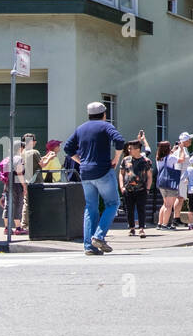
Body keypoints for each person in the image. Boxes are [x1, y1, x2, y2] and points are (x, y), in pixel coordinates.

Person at [62, 102, 127, 255]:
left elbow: (67, 148)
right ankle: (98, 236)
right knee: (113, 203)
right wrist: (116, 159)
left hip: (85, 173)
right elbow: (119, 141)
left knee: (91, 207)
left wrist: (81, 162)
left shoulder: (81, 128)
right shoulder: (106, 126)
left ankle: (89, 247)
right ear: (104, 114)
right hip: (103, 170)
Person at [118, 140, 153, 236]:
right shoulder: (126, 160)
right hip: (128, 189)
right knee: (129, 209)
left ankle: (141, 228)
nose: (129, 150)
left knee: (141, 209)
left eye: (131, 148)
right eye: (129, 148)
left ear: (137, 149)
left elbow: (149, 176)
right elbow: (121, 174)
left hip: (141, 189)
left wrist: (148, 189)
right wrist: (121, 186)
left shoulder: (146, 161)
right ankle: (132, 228)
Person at [154, 139, 183, 230]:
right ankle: (165, 225)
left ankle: (160, 223)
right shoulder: (171, 157)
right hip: (170, 182)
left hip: (161, 182)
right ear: (167, 148)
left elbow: (168, 156)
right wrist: (181, 149)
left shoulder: (159, 158)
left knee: (165, 204)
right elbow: (181, 160)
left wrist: (173, 150)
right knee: (169, 205)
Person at [176, 133, 193, 229]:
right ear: (185, 141)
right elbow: (179, 164)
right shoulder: (181, 150)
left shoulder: (183, 150)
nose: (190, 141)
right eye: (189, 140)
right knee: (180, 198)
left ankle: (177, 217)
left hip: (184, 177)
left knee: (181, 198)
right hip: (182, 177)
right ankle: (176, 218)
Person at [18, 134, 42, 230]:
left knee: (26, 203)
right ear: (32, 142)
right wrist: (50, 157)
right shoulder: (35, 152)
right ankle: (37, 223)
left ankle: (24, 224)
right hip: (36, 181)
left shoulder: (22, 153)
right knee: (38, 203)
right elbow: (42, 164)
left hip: (26, 181)